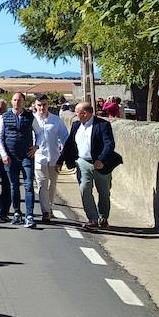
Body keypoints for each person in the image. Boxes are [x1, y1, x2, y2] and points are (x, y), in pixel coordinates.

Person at [61, 101, 120, 230]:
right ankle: (92, 218)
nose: (75, 115)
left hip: (100, 164)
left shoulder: (102, 125)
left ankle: (103, 217)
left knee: (104, 192)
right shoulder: (76, 125)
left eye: (77, 112)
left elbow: (109, 144)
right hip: (82, 162)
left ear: (85, 113)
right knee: (84, 189)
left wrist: (101, 159)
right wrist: (61, 160)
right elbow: (69, 144)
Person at [1, 92, 37, 227]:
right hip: (11, 157)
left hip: (27, 156)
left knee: (28, 185)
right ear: (11, 101)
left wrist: (36, 146)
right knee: (13, 186)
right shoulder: (4, 117)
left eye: (19, 100)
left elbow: (40, 133)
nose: (17, 102)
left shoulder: (30, 116)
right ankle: (17, 213)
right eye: (15, 100)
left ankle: (30, 215)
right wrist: (3, 154)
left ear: (23, 102)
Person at [31, 95, 68, 224]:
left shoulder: (56, 120)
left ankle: (49, 207)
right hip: (38, 157)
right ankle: (45, 211)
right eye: (39, 105)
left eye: (44, 105)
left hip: (54, 157)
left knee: (52, 185)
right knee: (42, 184)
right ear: (35, 106)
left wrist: (65, 153)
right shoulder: (31, 120)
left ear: (48, 105)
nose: (42, 108)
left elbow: (64, 136)